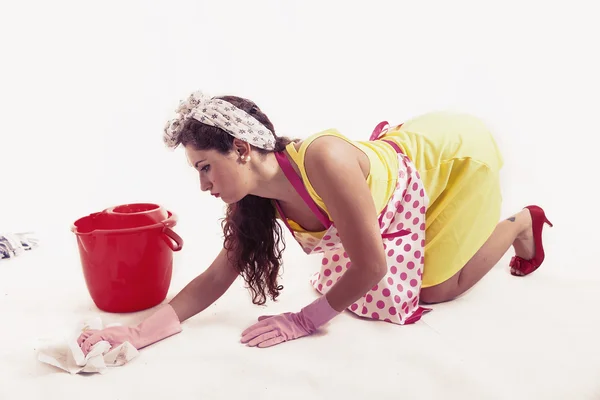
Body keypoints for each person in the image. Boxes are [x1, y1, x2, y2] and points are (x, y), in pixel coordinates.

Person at [77, 91, 553, 353]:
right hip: (401, 174)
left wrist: (304, 321)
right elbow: (217, 275)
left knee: (435, 290)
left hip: (453, 156)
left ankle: (518, 224)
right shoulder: (257, 197)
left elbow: (372, 266)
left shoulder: (322, 158)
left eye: (205, 166)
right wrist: (138, 334)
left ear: (241, 149)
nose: (203, 185)